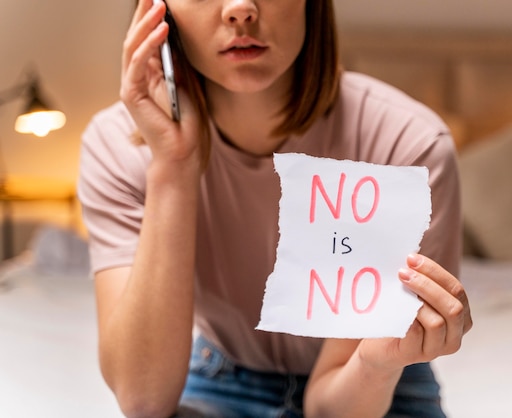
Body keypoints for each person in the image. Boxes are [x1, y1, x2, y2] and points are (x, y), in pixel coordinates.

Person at [77, 0, 473, 417]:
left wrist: (378, 362)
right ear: (157, 11)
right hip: (222, 374)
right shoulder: (116, 145)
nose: (240, 9)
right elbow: (143, 400)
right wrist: (173, 165)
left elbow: (328, 408)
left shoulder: (405, 146)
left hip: (378, 382)